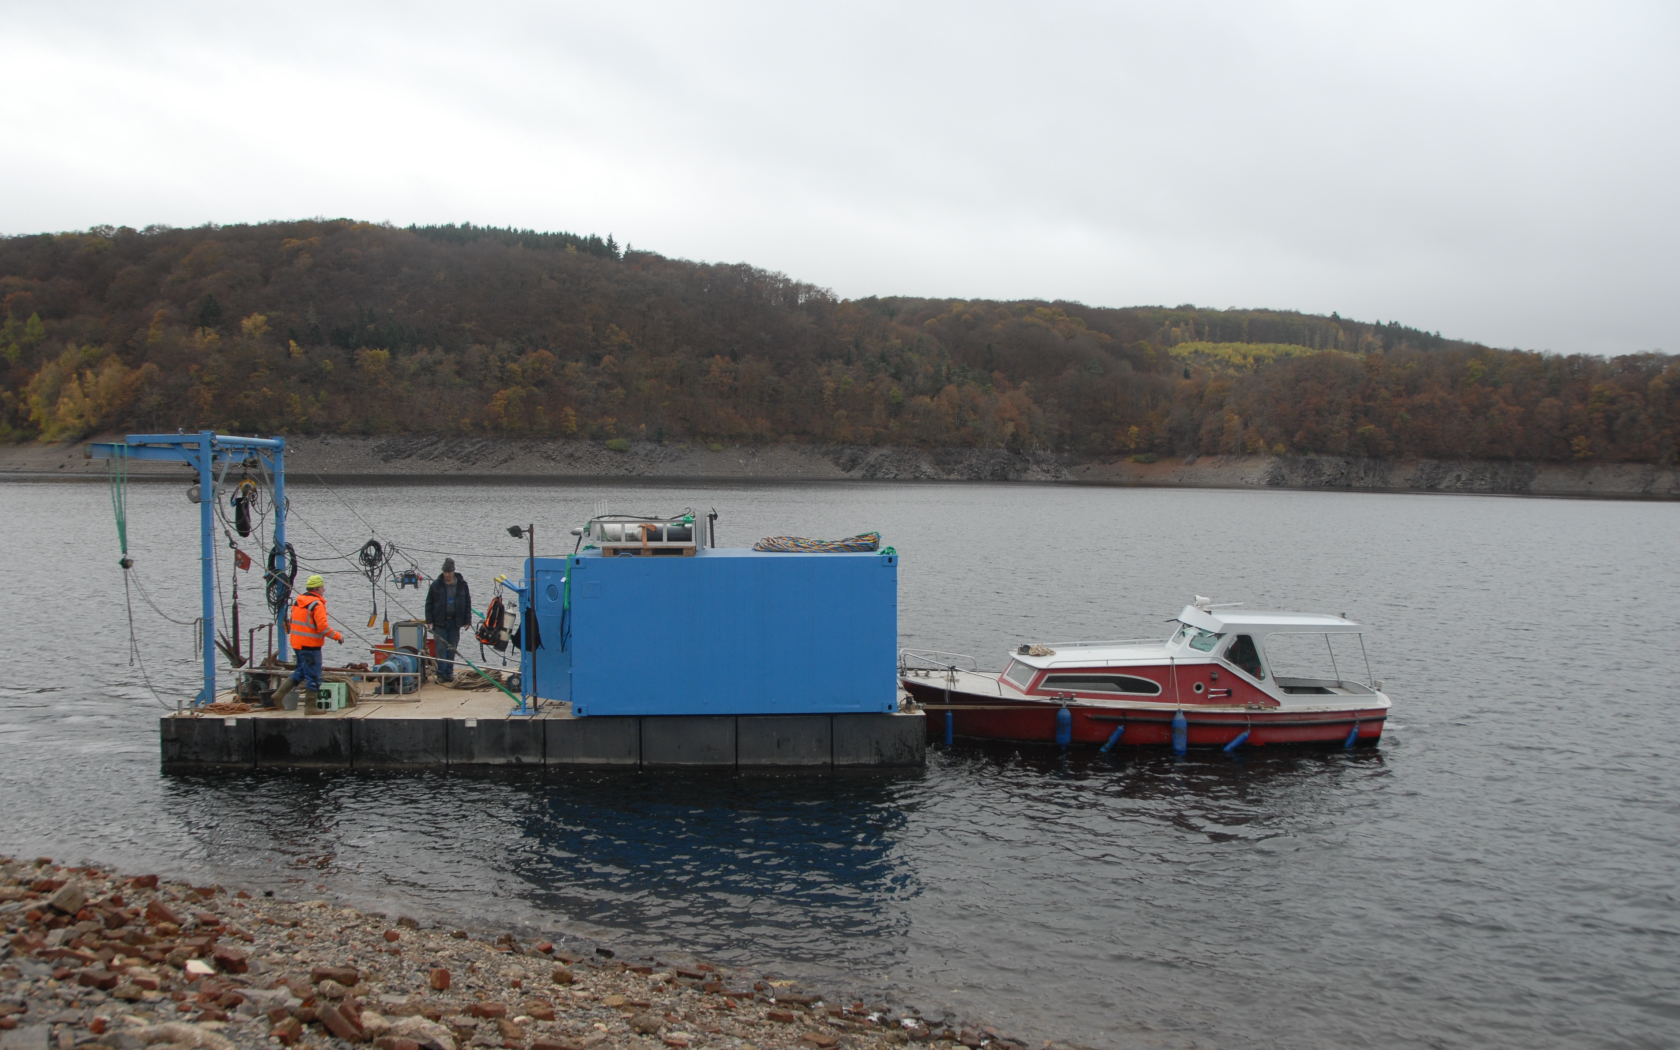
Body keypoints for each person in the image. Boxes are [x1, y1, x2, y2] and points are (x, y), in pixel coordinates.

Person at [272, 574, 344, 714]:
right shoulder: (317, 604)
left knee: (300, 671)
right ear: (317, 588)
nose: (324, 590)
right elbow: (322, 628)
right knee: (314, 676)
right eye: (322, 587)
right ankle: (310, 707)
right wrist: (338, 636)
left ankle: (279, 694)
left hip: (297, 644)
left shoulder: (298, 602)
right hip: (310, 646)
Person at [425, 558, 473, 682]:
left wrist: (468, 620)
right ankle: (441, 674)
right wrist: (429, 620)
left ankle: (449, 672)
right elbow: (429, 603)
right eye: (445, 572)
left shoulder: (462, 585)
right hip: (440, 622)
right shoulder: (436, 585)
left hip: (455, 622)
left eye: (449, 572)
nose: (446, 575)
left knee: (452, 648)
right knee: (441, 648)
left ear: (453, 571)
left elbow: (467, 603)